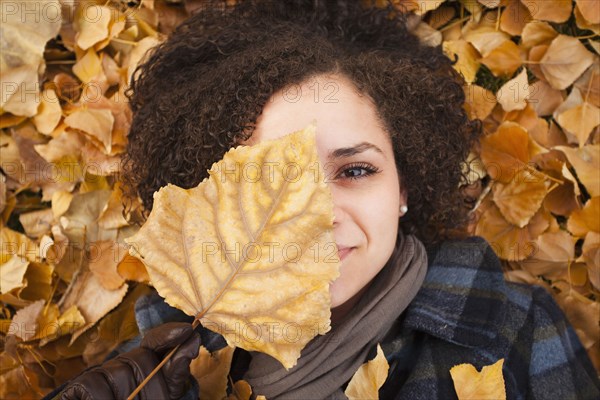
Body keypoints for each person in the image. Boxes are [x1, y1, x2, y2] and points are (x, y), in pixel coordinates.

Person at [51, 0, 600, 399]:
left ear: (403, 186)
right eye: (266, 180)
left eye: (355, 170)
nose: (314, 216)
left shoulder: (519, 332)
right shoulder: (142, 379)